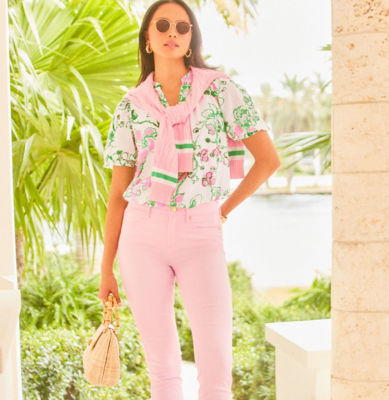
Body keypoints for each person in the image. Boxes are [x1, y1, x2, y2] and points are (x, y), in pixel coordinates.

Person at [98, 1, 280, 399]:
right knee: (162, 371)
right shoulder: (130, 107)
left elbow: (268, 160)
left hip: (201, 229)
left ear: (191, 37)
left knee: (216, 368)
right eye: (161, 25)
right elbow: (117, 197)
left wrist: (223, 211)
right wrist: (105, 268)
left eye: (182, 26)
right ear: (147, 39)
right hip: (140, 235)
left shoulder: (219, 90)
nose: (172, 32)